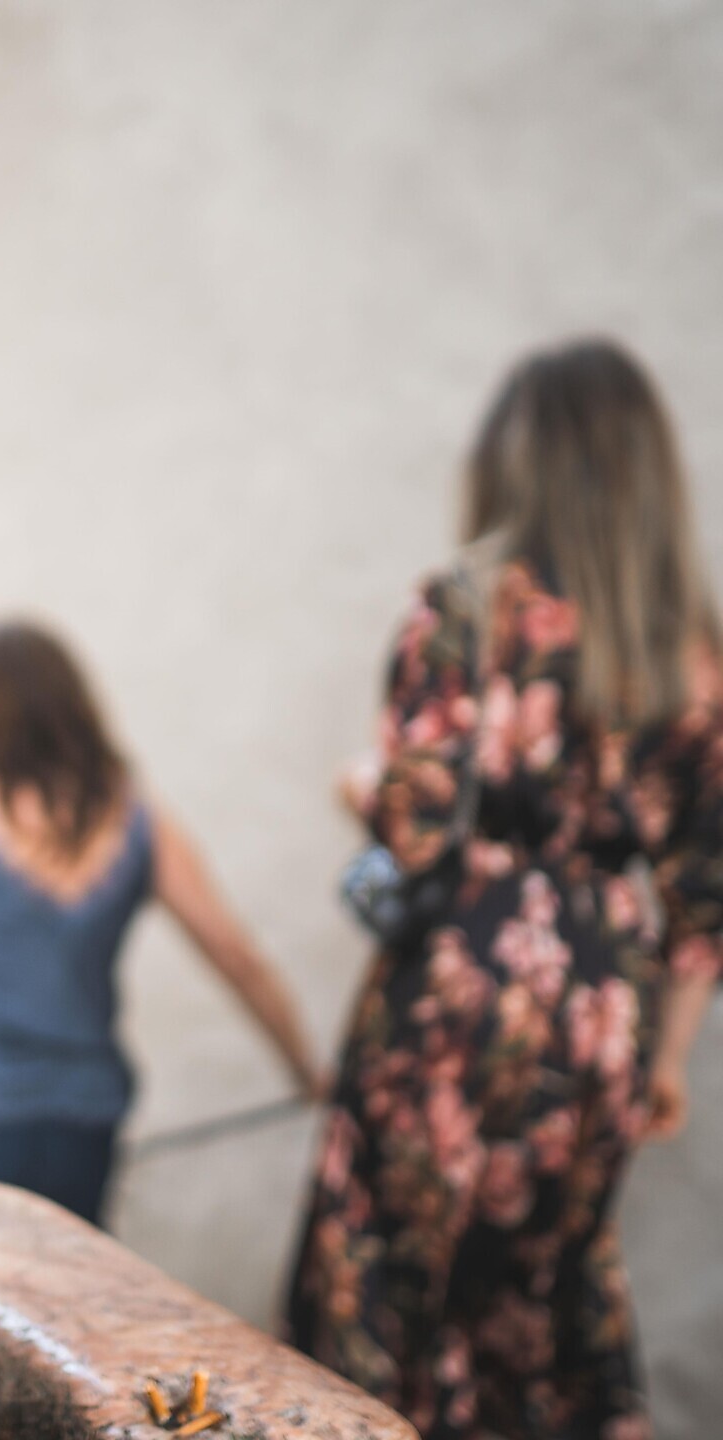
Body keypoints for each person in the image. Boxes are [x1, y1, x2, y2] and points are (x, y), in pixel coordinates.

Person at [285, 339, 723, 1440]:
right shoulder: (691, 647)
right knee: (538, 1317)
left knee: (379, 1301)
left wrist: (359, 791)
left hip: (464, 1000)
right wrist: (663, 1062)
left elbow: (418, 834)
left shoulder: (467, 608)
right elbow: (707, 899)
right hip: (602, 1021)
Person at [0, 621, 323, 1226]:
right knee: (48, 1311)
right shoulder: (132, 814)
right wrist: (305, 1069)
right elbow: (233, 951)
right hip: (79, 1127)